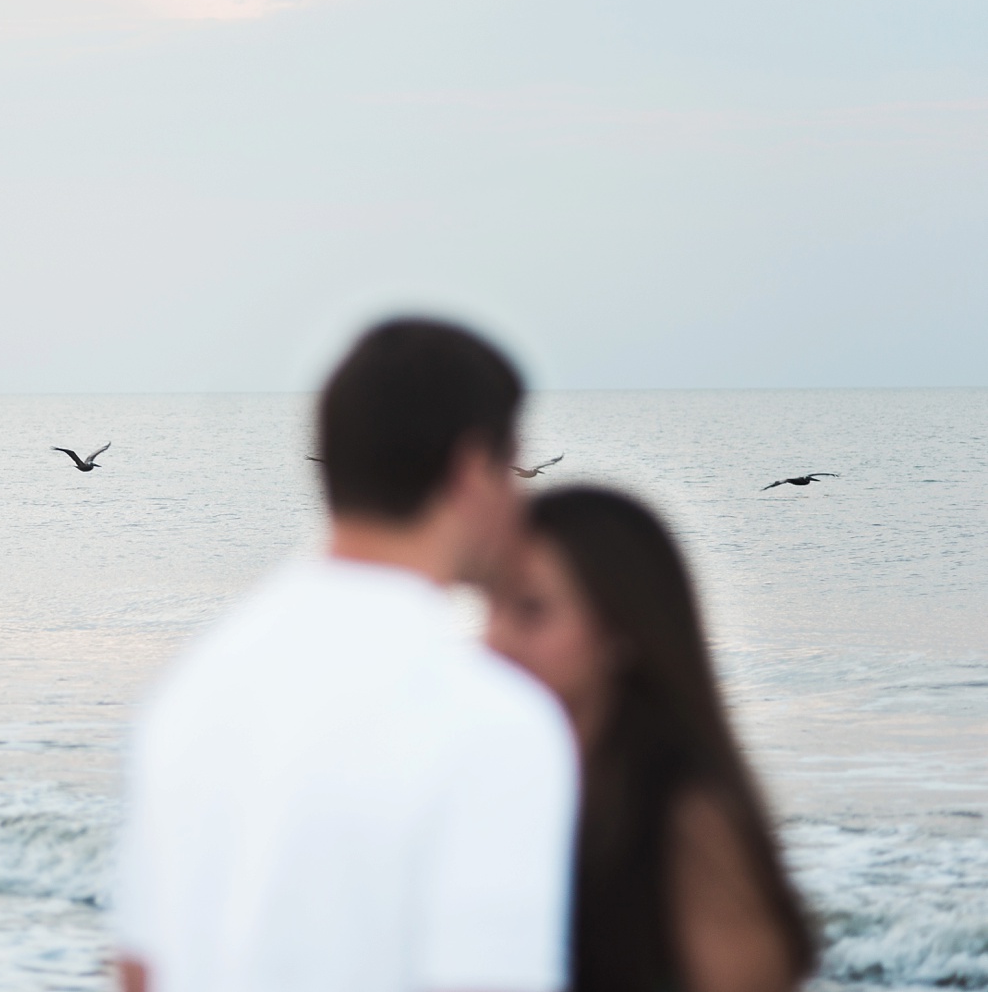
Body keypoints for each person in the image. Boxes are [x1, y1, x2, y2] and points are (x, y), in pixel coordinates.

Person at [115, 318, 580, 992]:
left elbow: (140, 970)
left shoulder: (194, 684)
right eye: (513, 468)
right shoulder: (492, 719)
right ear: (472, 468)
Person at [486, 487, 816, 992]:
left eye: (531, 610)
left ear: (620, 628)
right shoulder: (517, 786)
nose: (495, 640)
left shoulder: (689, 819)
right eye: (491, 606)